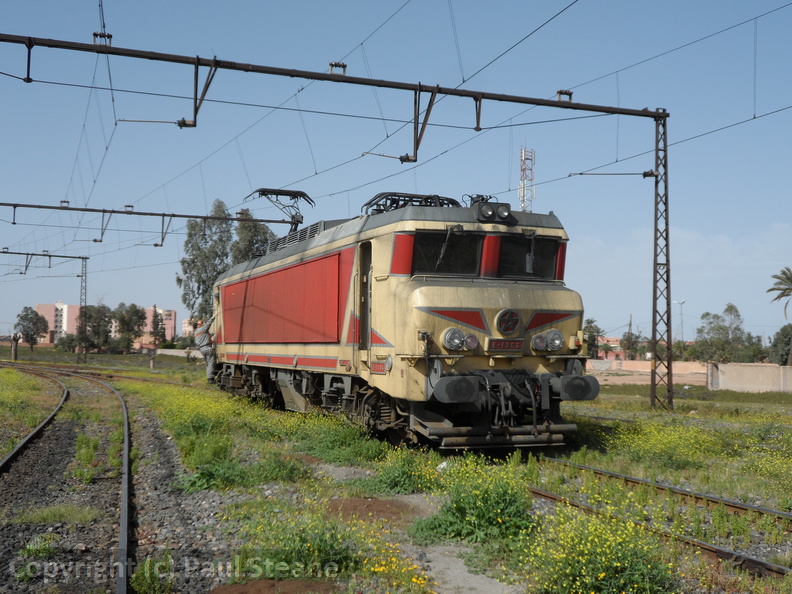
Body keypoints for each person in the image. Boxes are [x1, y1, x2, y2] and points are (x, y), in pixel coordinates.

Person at [194, 315, 217, 384]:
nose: (202, 324)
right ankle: (211, 379)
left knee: (207, 363)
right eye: (200, 323)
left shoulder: (197, 332)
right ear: (197, 326)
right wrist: (213, 316)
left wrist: (212, 333)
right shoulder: (202, 329)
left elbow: (206, 336)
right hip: (207, 348)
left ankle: (209, 377)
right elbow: (208, 324)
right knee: (210, 362)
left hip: (202, 349)